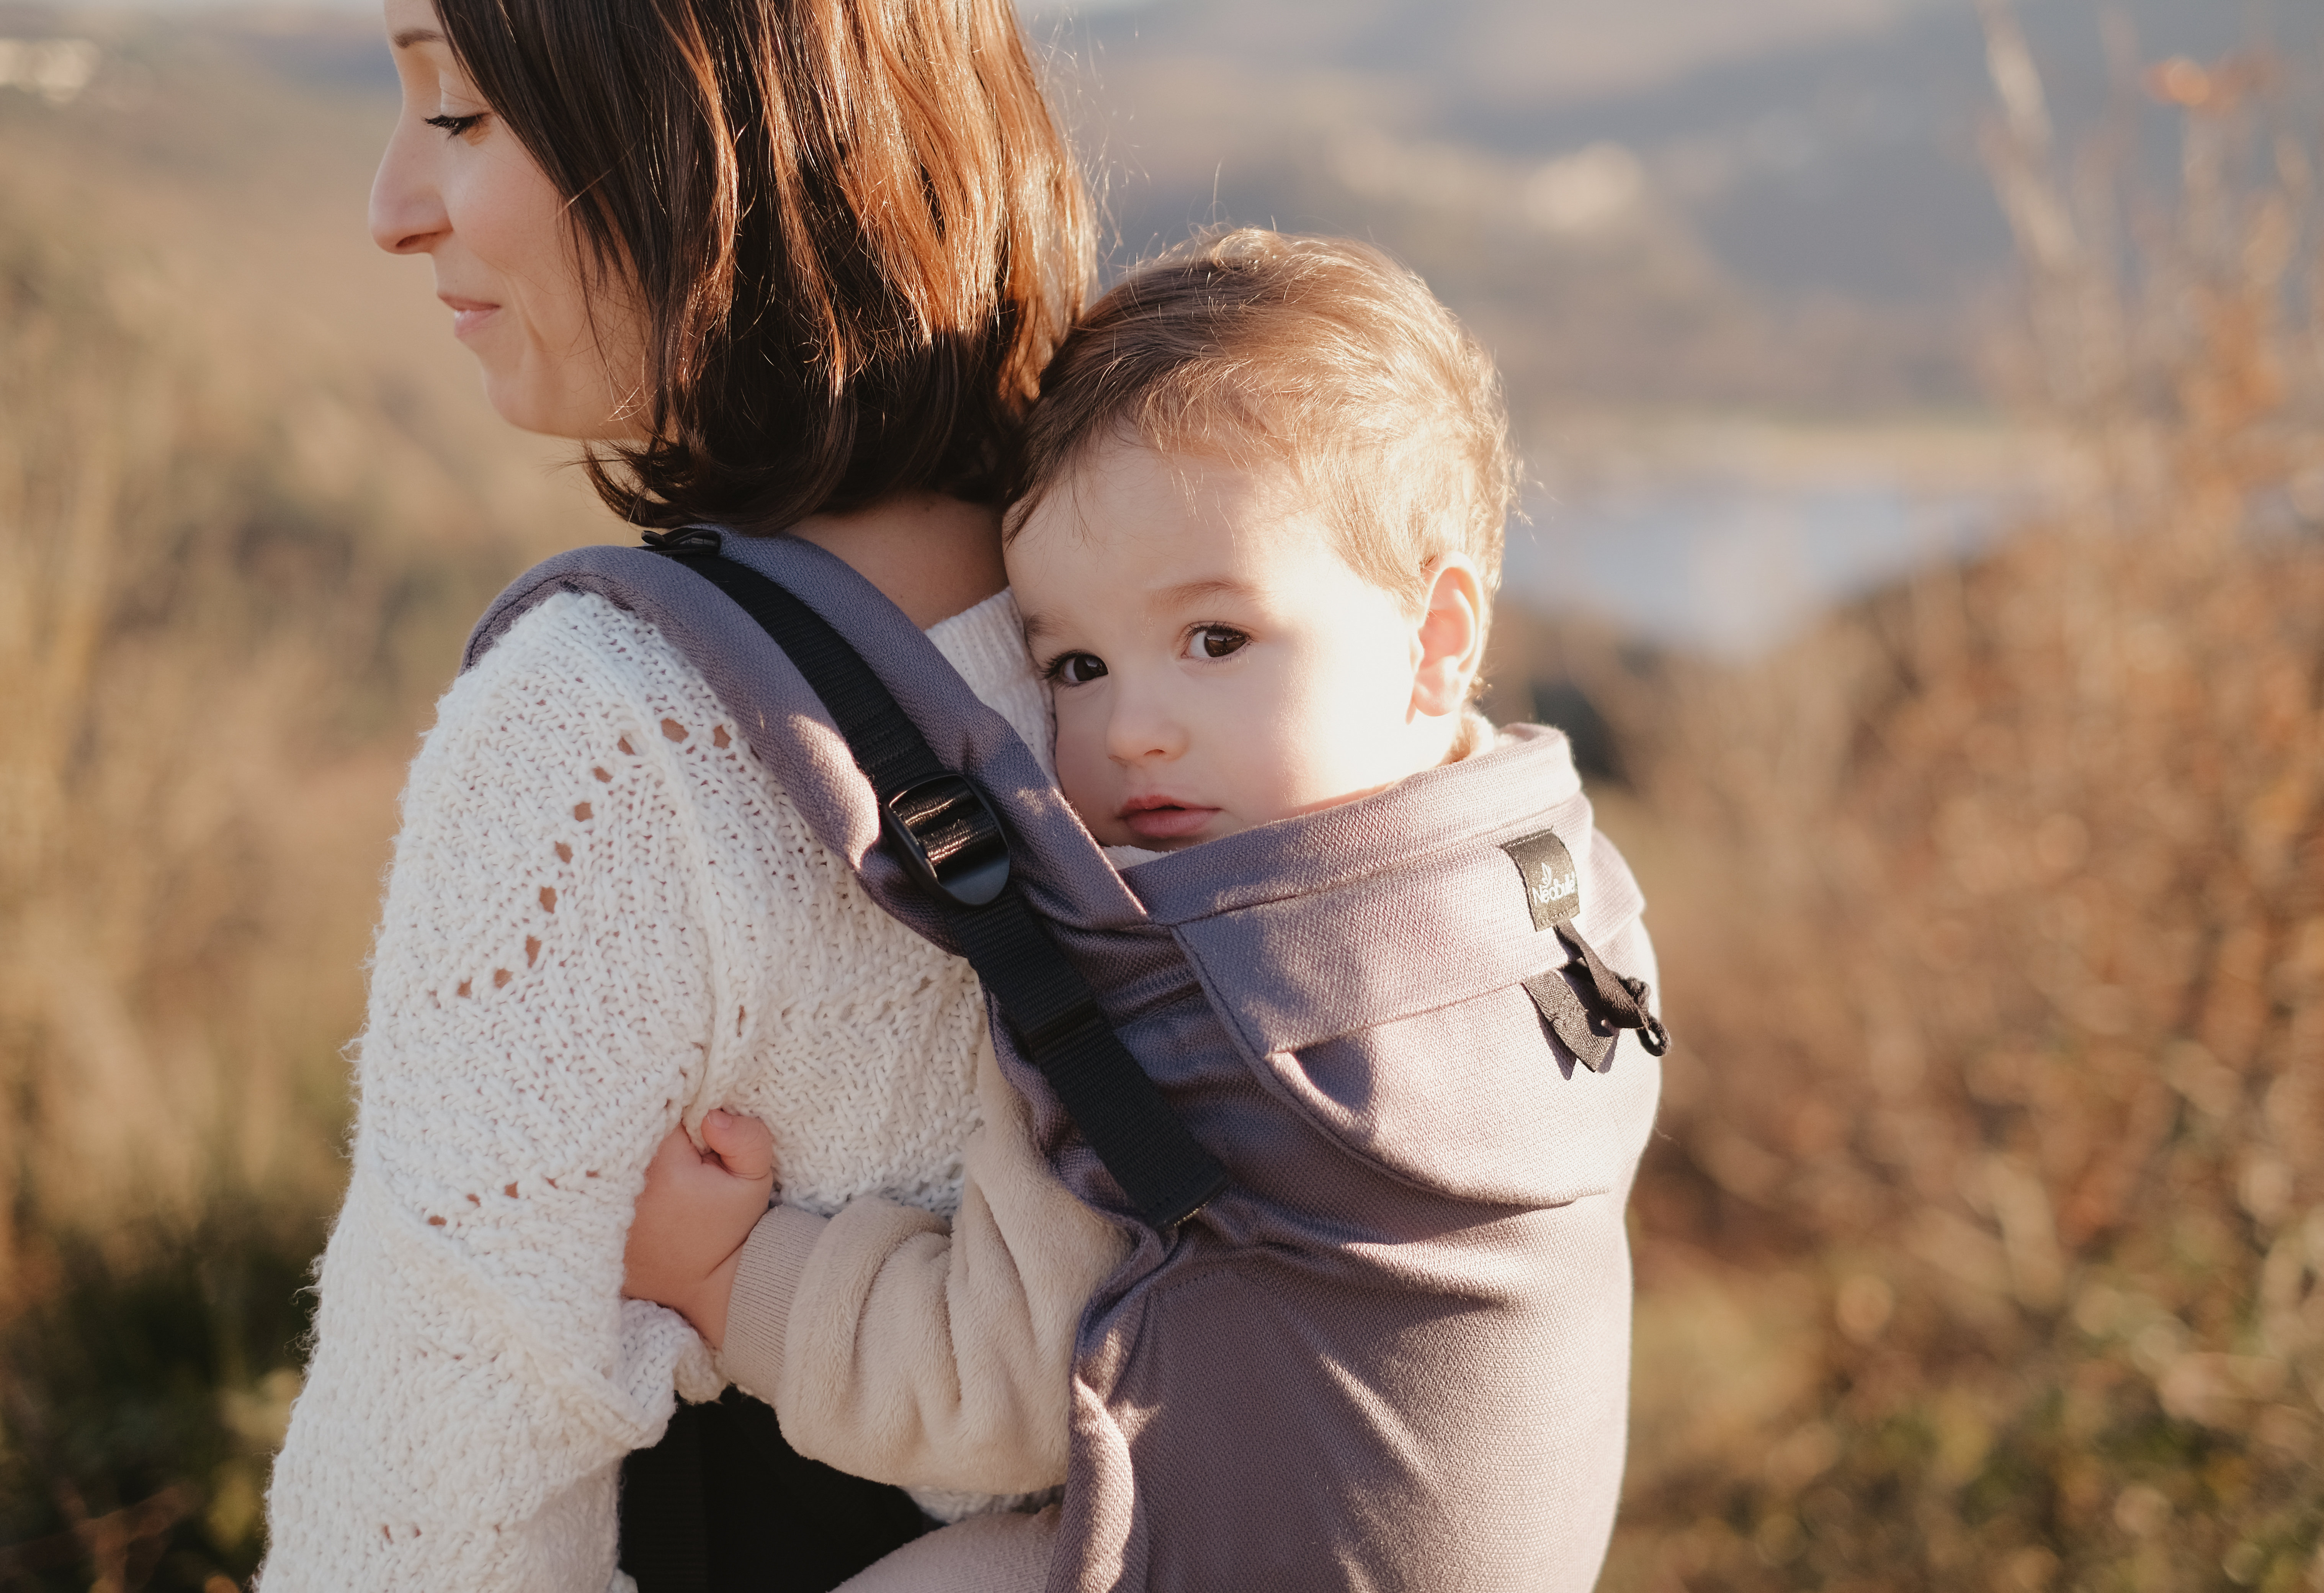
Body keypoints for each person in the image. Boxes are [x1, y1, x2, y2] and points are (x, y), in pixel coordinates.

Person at [623, 230, 1665, 1591]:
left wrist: (730, 1281)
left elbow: (991, 1385)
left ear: (1435, 639)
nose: (1132, 730)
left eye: (1217, 639)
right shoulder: (1560, 899)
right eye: (1074, 663)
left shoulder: (1191, 1009)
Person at [257, 0, 1108, 1583]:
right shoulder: (1172, 628)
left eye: (457, 111)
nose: (392, 206)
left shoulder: (609, 728)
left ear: (709, 121)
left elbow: (432, 1509)